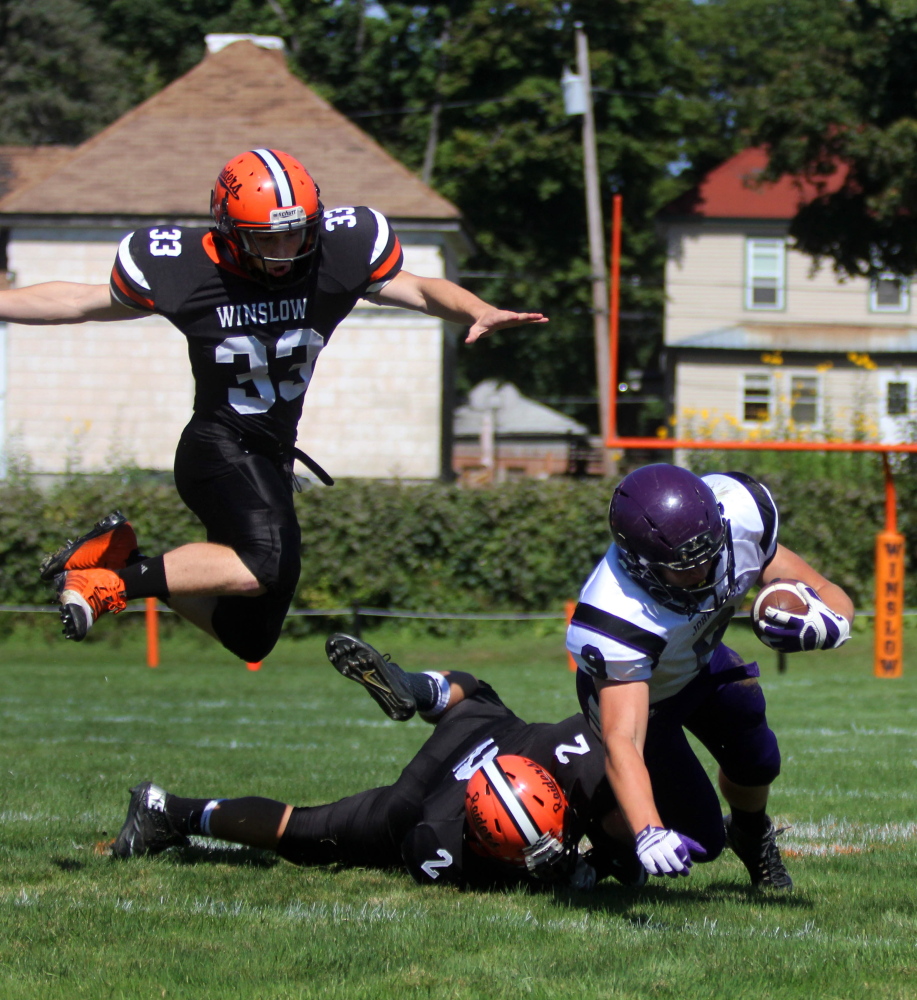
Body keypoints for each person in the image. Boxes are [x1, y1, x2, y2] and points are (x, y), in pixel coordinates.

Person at [8, 148, 547, 662]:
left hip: (271, 455)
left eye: (298, 234)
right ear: (229, 233)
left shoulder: (338, 255)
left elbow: (425, 289)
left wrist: (478, 308)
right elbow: (78, 300)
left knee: (251, 636)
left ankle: (123, 558)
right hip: (216, 446)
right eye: (271, 238)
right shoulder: (186, 269)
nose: (288, 251)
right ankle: (106, 582)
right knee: (261, 561)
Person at [110, 633, 660, 891]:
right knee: (306, 834)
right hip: (426, 795)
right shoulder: (434, 840)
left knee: (478, 691)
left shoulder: (575, 754)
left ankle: (418, 688)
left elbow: (616, 780)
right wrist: (574, 869)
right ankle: (166, 811)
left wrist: (618, 849)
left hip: (487, 729)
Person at [566, 463, 854, 891]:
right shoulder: (615, 614)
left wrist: (832, 625)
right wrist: (648, 830)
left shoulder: (739, 512)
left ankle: (752, 834)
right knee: (698, 839)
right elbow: (623, 739)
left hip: (700, 660)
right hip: (647, 698)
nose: (703, 572)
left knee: (757, 752)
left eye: (710, 552)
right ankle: (604, 829)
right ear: (642, 566)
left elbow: (827, 591)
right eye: (684, 565)